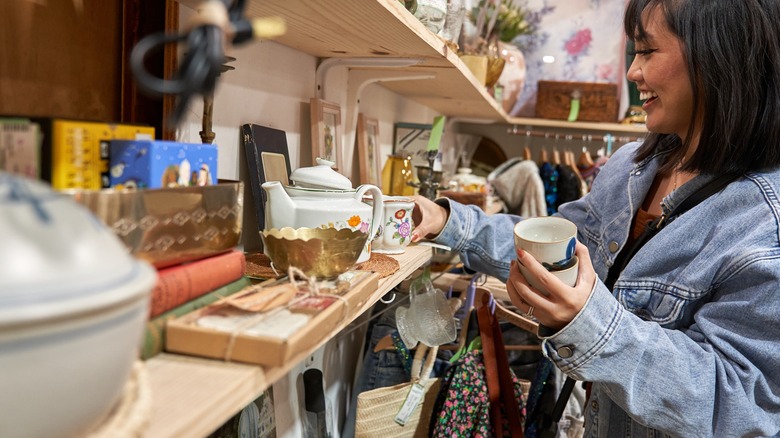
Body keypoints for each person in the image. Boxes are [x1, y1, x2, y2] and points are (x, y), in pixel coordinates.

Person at [410, 0, 780, 436]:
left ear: (718, 57)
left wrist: (590, 325)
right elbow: (556, 243)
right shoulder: (630, 166)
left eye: (647, 52)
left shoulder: (763, 219)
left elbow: (740, 401)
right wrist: (445, 220)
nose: (632, 73)